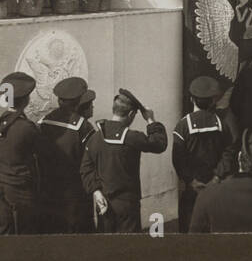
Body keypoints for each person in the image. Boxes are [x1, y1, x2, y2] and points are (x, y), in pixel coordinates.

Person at [81, 90, 168, 233]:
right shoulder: (132, 137)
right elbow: (159, 144)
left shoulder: (95, 138)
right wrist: (151, 120)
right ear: (131, 114)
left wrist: (96, 191)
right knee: (129, 248)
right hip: (127, 205)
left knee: (106, 245)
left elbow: (85, 169)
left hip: (102, 202)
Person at [172, 76, 233, 233]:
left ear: (192, 99)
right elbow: (229, 153)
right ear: (213, 100)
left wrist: (191, 181)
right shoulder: (221, 124)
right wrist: (217, 177)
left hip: (193, 189)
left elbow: (178, 159)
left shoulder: (183, 126)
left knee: (190, 230)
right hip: (214, 186)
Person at [38, 77, 98, 233]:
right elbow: (91, 161)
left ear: (59, 100)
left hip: (48, 190)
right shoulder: (83, 127)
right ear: (79, 101)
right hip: (75, 193)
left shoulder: (44, 121)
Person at [0, 72, 42, 235]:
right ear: (26, 100)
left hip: (3, 184)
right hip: (21, 188)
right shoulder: (26, 128)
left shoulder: (0, 123)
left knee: (5, 231)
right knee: (26, 234)